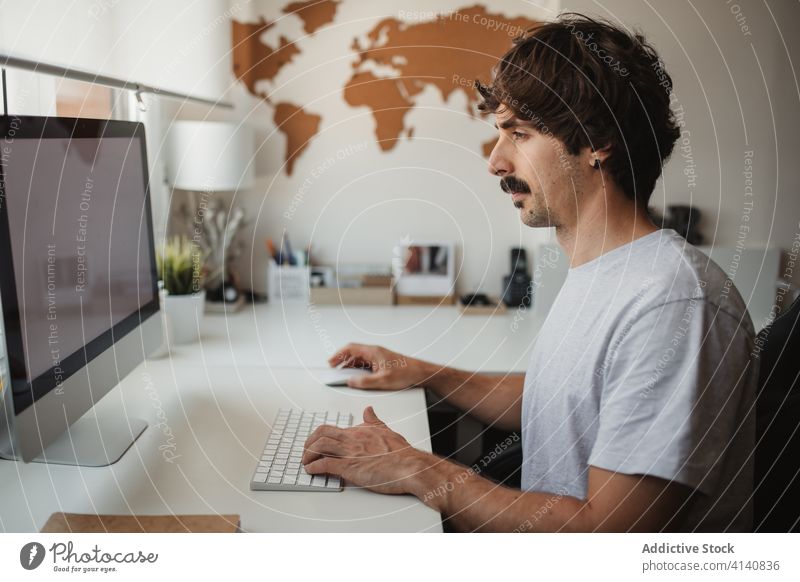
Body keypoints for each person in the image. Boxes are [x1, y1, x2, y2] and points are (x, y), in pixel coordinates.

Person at [302, 13, 757, 532]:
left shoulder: (672, 304)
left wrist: (417, 467)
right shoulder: (608, 274)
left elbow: (609, 537)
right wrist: (425, 373)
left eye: (518, 133)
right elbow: (564, 398)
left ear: (596, 141)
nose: (495, 161)